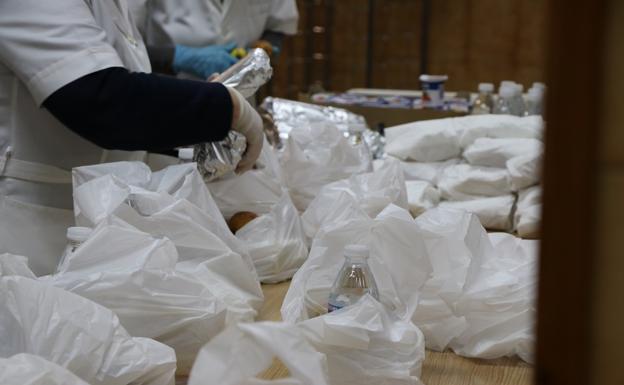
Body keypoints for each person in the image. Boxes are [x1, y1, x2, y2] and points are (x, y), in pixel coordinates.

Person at [0, 0, 264, 276]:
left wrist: (190, 129)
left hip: (98, 219)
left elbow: (129, 100)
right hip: (34, 229)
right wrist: (225, 106)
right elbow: (102, 101)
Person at [129, 0, 298, 79]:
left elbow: (279, 24)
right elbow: (124, 45)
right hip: (167, 93)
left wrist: (264, 50)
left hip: (240, 105)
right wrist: (176, 57)